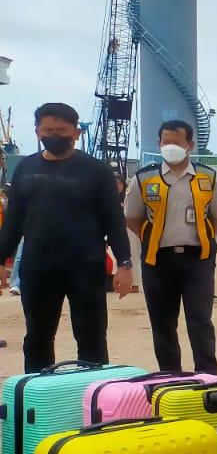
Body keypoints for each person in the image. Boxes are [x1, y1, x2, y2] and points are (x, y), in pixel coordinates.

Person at [0, 103, 133, 370]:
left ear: (76, 133)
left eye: (61, 130)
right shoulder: (26, 168)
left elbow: (114, 221)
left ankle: (92, 390)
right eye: (48, 130)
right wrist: (1, 260)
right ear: (37, 131)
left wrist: (125, 263)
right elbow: (13, 221)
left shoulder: (96, 170)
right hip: (38, 267)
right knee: (37, 337)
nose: (54, 135)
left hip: (85, 267)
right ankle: (39, 390)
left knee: (92, 338)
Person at [125, 120, 217, 375]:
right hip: (158, 260)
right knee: (163, 324)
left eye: (176, 142)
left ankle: (207, 376)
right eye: (165, 141)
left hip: (198, 260)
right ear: (158, 143)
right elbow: (132, 217)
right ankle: (171, 377)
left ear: (189, 145)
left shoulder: (209, 177)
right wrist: (152, 238)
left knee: (200, 321)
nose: (170, 146)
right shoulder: (143, 178)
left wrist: (202, 236)